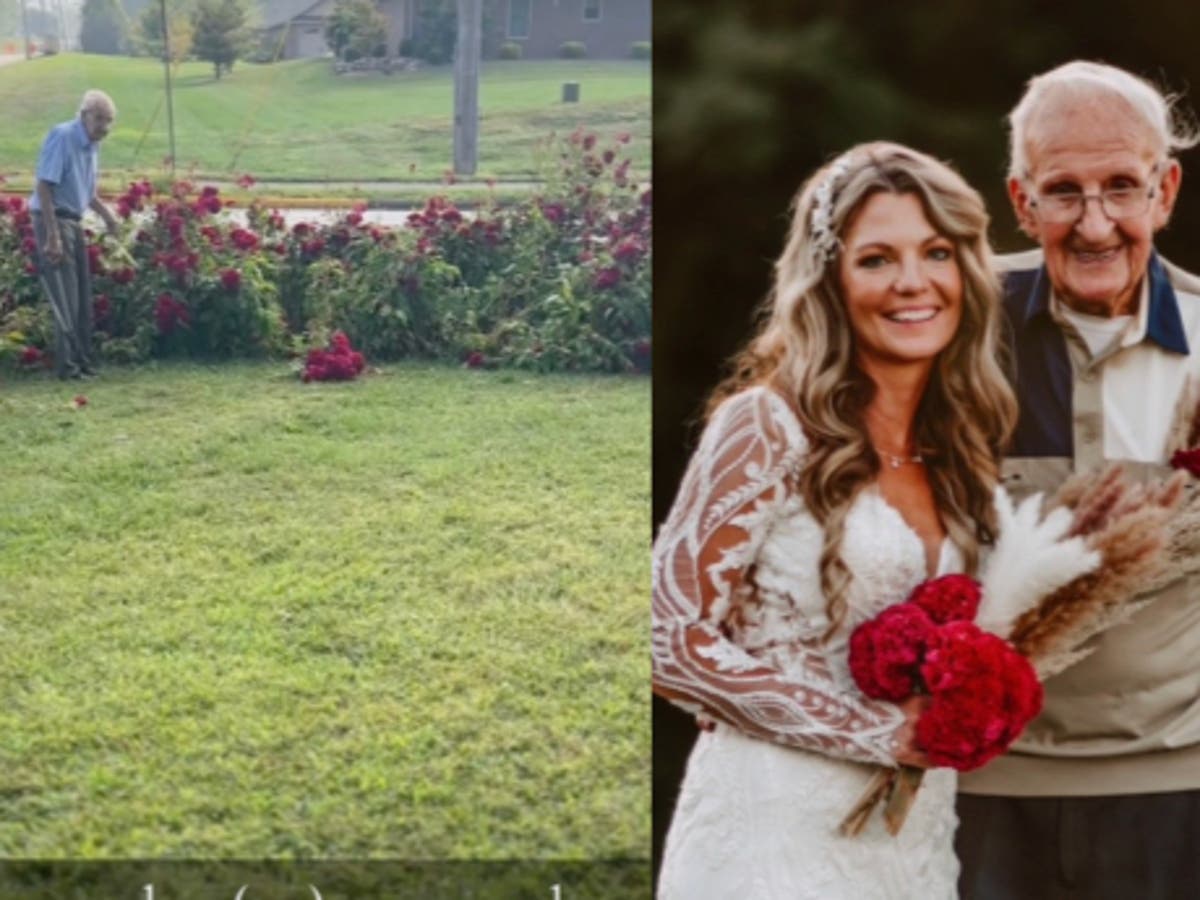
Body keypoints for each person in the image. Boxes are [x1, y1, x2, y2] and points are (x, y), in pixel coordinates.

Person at [651, 142, 1017, 898]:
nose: (913, 283)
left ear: (966, 271)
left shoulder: (962, 450)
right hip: (772, 839)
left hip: (910, 846)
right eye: (877, 259)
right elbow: (667, 642)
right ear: (831, 280)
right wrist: (878, 734)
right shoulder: (769, 426)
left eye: (937, 253)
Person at [955, 61, 1200, 899]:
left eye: (1122, 187)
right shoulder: (947, 333)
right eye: (1064, 191)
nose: (1095, 225)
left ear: (1164, 191)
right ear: (1022, 203)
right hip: (981, 791)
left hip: (1176, 793)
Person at [30, 89, 120, 380]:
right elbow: (44, 187)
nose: (104, 127)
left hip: (74, 220)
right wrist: (52, 236)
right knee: (65, 296)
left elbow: (87, 192)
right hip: (53, 219)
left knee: (81, 294)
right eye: (99, 119)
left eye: (109, 121)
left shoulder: (92, 145)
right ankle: (67, 368)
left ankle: (82, 361)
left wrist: (108, 216)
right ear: (83, 115)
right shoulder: (63, 136)